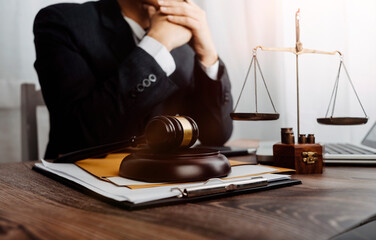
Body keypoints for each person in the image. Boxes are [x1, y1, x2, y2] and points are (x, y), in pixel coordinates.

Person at [33, 0, 233, 159]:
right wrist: (157, 45)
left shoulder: (186, 37)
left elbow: (216, 136)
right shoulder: (62, 22)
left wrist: (208, 55)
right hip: (79, 188)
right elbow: (79, 136)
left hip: (166, 182)